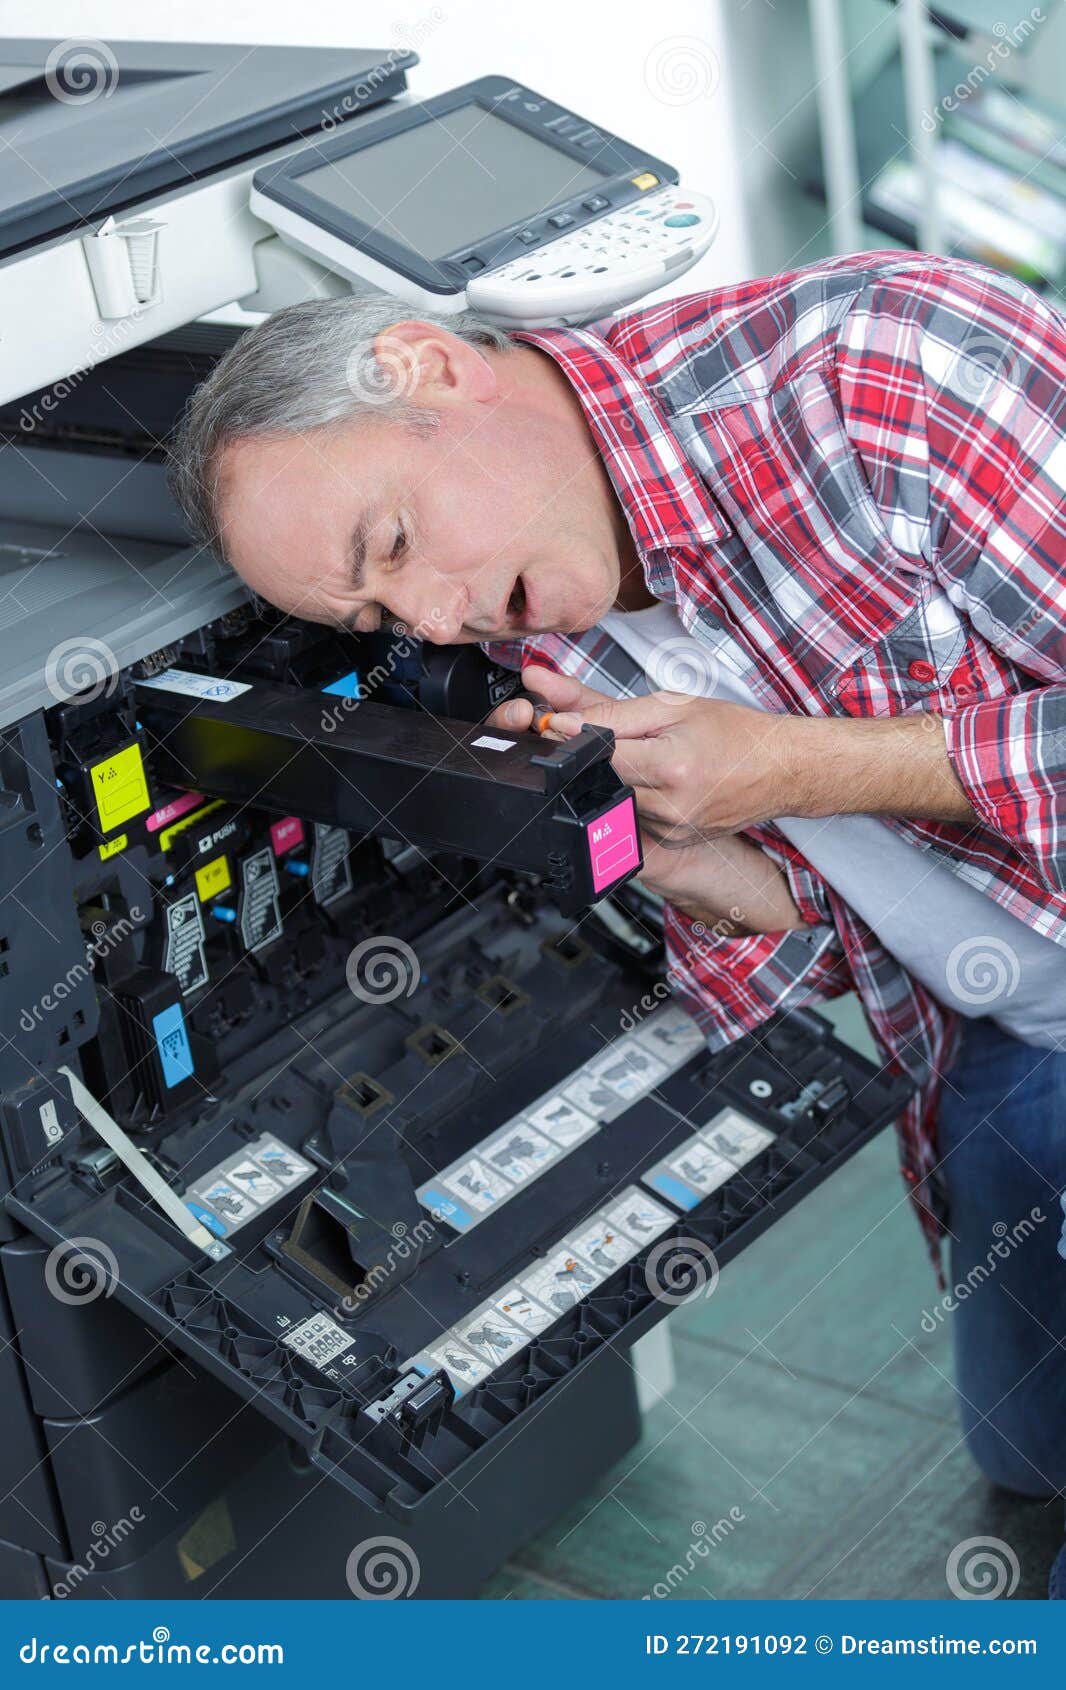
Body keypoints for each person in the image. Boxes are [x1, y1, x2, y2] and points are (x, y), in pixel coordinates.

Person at [167, 251, 1066, 1505]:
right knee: (1028, 1457)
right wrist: (707, 869)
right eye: (379, 615)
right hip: (1013, 1023)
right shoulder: (547, 644)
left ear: (433, 367)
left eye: (396, 542)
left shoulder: (886, 369)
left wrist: (793, 766)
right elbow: (848, 929)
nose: (436, 621)